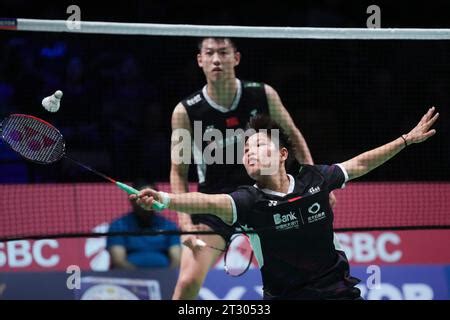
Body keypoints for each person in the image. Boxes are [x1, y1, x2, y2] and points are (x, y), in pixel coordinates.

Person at [135, 107, 439, 299]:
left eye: (259, 145)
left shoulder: (315, 179)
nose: (250, 153)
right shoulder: (248, 201)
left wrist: (406, 140)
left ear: (282, 155)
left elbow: (359, 164)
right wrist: (164, 199)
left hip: (338, 293)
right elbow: (207, 201)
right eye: (246, 150)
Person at [170, 37, 325, 299]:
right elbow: (179, 171)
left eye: (223, 52)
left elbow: (293, 136)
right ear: (200, 60)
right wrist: (185, 224)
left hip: (266, 197)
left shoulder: (262, 94)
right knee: (187, 283)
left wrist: (316, 184)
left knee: (307, 272)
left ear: (236, 58)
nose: (217, 59)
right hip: (215, 203)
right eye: (209, 53)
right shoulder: (186, 111)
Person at [107, 181, 181, 270]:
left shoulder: (169, 226)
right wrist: (143, 278)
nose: (146, 201)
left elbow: (177, 260)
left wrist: (165, 278)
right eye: (142, 197)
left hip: (164, 278)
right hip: (129, 278)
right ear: (132, 199)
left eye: (150, 196)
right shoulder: (118, 225)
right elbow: (118, 261)